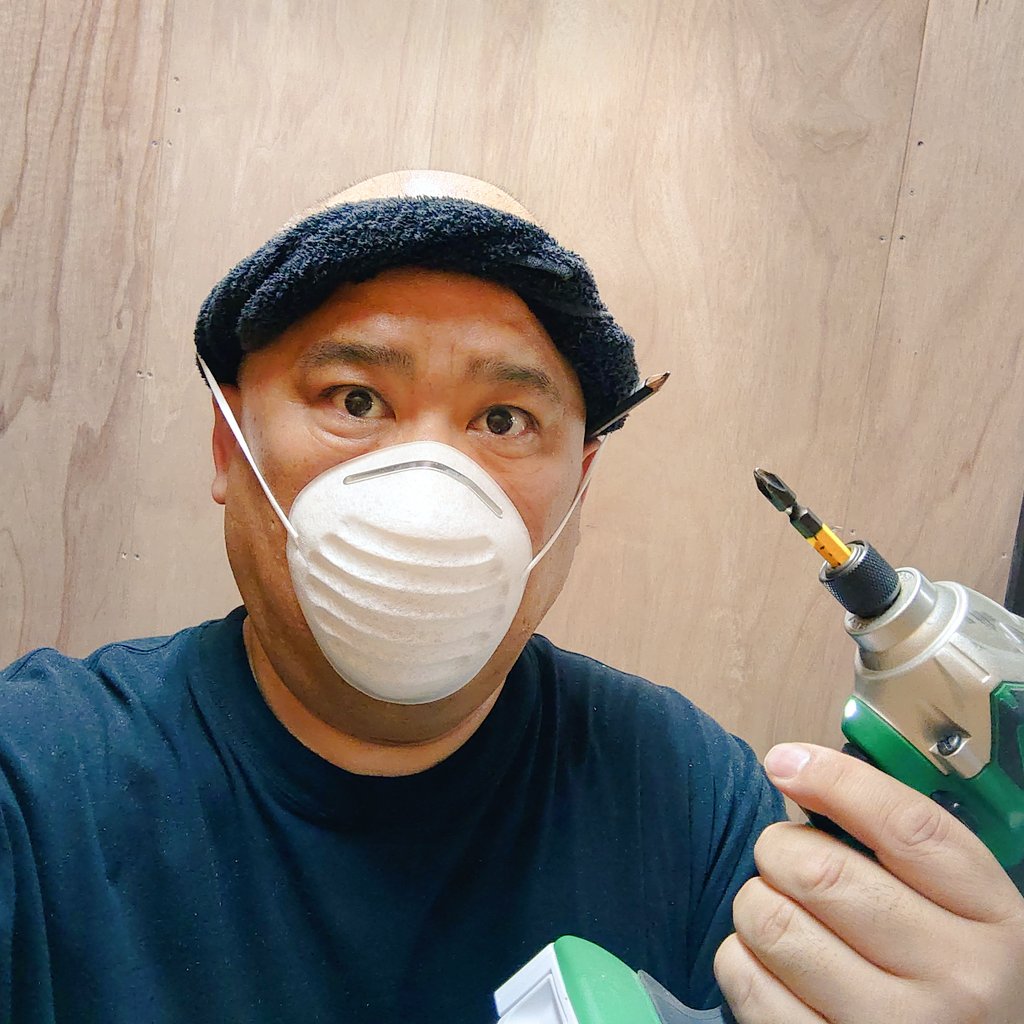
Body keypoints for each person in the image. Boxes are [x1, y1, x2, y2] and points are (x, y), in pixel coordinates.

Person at [1, 172, 1021, 1024]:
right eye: (356, 398)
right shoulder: (38, 787)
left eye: (503, 419)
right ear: (230, 448)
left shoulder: (684, 793)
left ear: (579, 488)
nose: (430, 487)